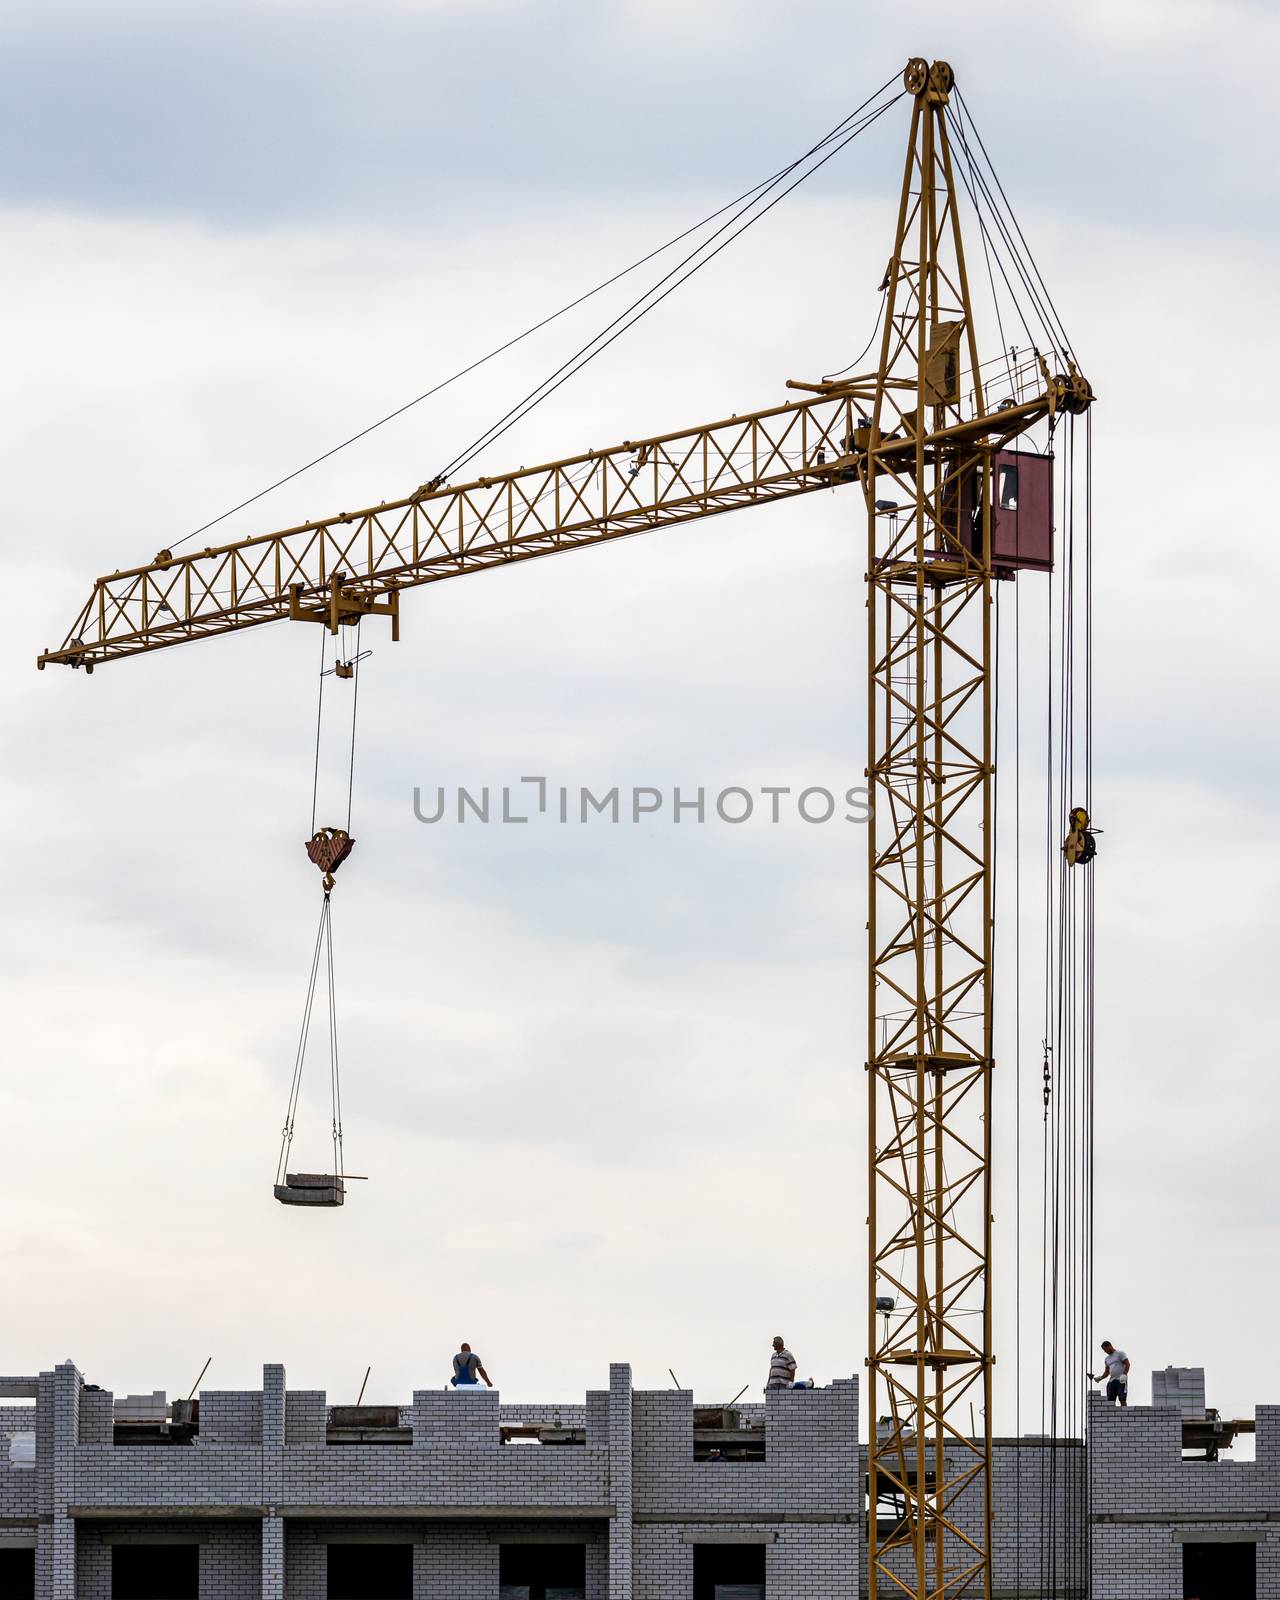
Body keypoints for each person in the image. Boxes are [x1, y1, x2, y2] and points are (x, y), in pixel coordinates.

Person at [1089, 1340, 1130, 1406]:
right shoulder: (1107, 1359)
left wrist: (1124, 1374)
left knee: (1122, 1399)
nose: (1105, 1351)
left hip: (1121, 1380)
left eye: (1105, 1349)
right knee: (1110, 1400)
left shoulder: (1120, 1353)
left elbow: (1127, 1364)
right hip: (1112, 1381)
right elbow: (1107, 1372)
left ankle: (1124, 1413)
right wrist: (1100, 1378)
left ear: (1109, 1346)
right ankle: (1112, 1415)